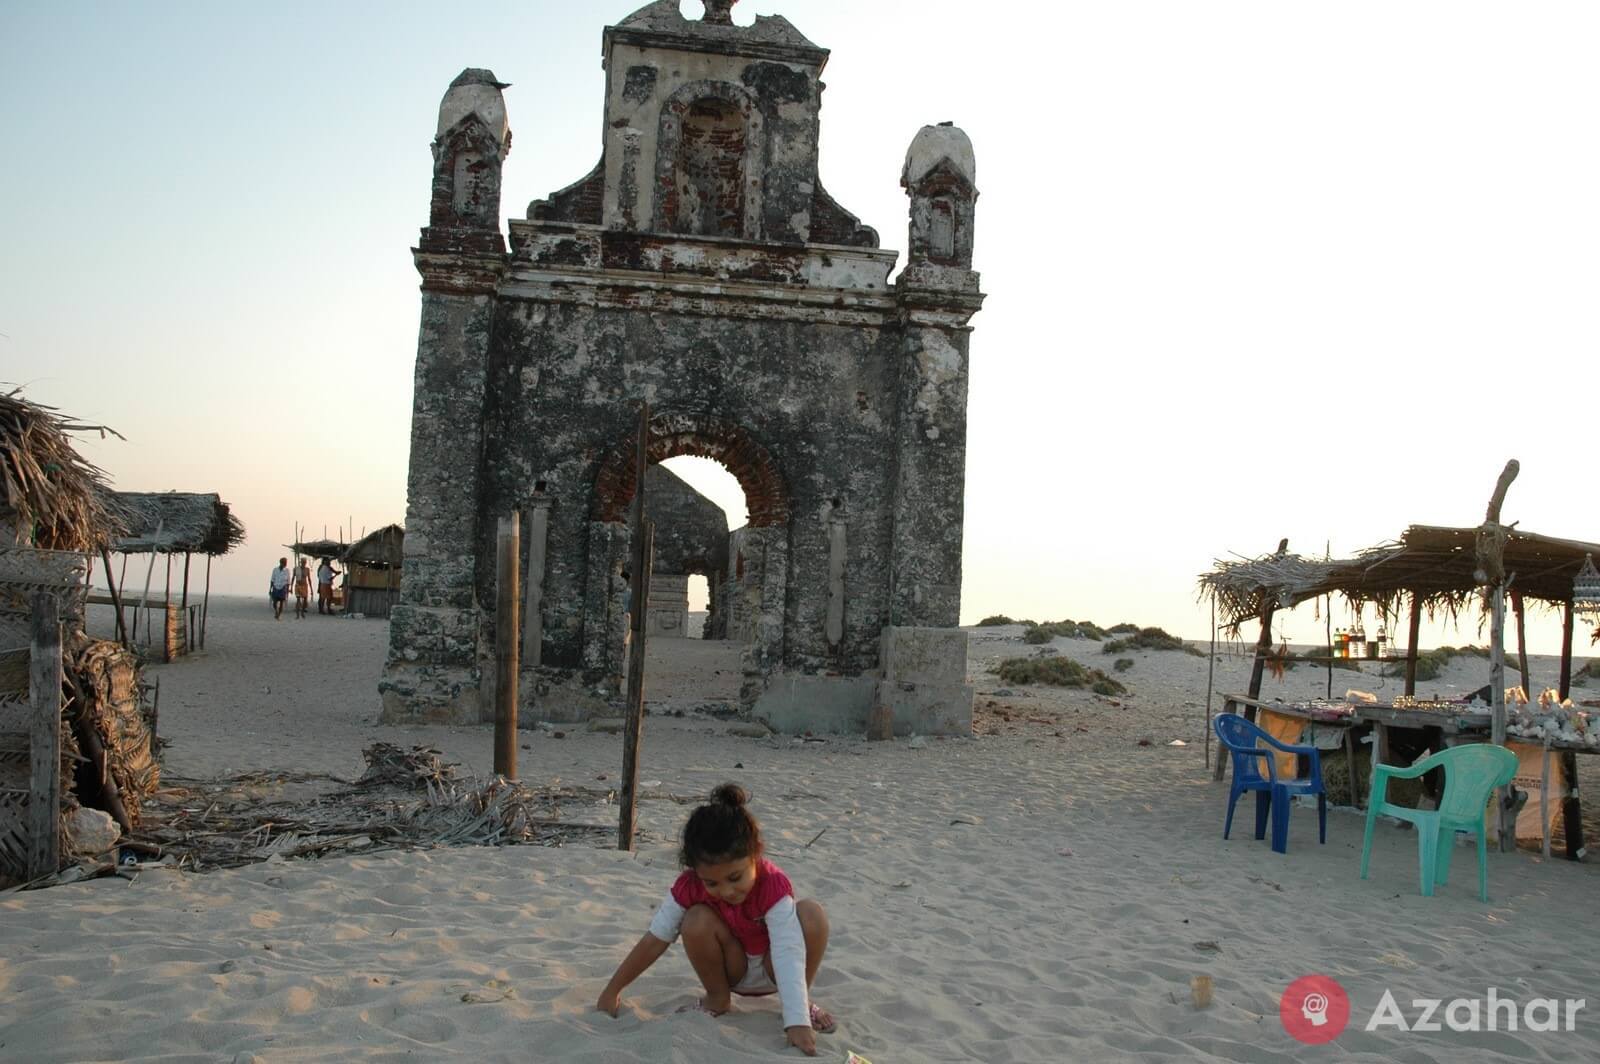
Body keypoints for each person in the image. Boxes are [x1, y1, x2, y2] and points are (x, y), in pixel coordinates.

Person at [596, 784, 835, 1056]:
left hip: (775, 969)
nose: (726, 891)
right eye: (712, 882)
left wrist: (797, 1021)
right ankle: (717, 1000)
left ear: (756, 852)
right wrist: (612, 990)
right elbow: (654, 939)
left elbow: (788, 950)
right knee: (695, 919)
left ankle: (801, 1004)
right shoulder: (689, 886)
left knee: (812, 913)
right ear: (694, 871)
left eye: (735, 878)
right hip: (731, 970)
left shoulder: (773, 884)